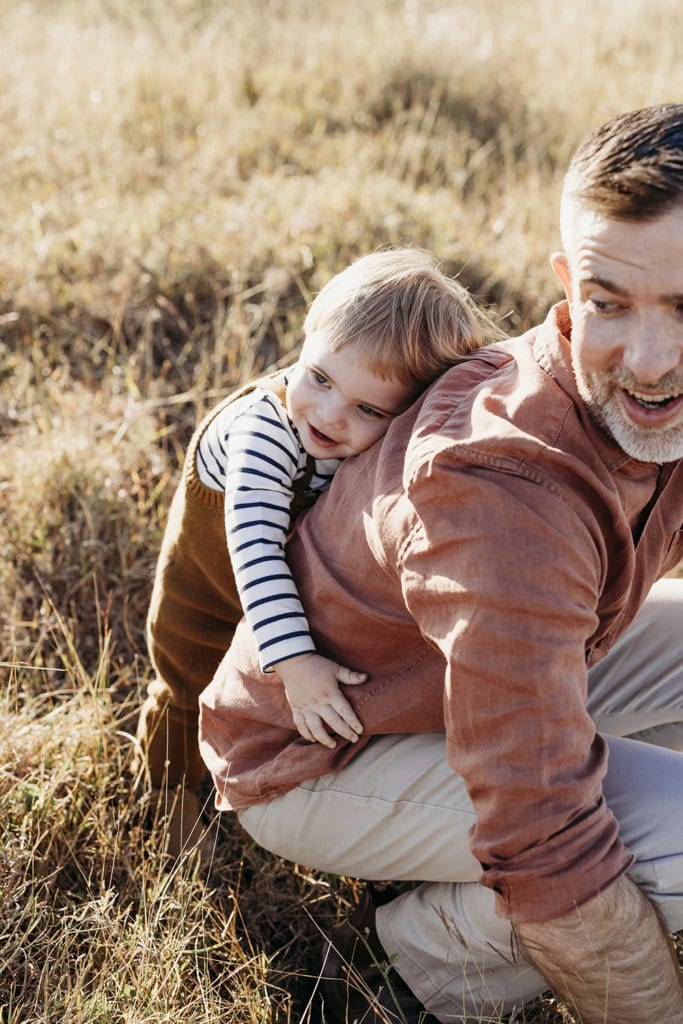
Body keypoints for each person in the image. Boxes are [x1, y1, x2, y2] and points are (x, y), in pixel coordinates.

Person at [198, 103, 683, 1024]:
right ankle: (430, 956)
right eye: (608, 304)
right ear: (566, 288)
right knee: (642, 840)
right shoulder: (504, 496)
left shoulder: (651, 398)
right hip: (324, 747)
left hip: (483, 667)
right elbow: (543, 835)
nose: (650, 361)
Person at [134, 246, 497, 854]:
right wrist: (295, 662)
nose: (328, 414)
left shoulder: (369, 433)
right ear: (306, 339)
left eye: (367, 408)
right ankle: (166, 800)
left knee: (256, 692)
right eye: (320, 378)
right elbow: (254, 546)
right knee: (188, 687)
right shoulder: (268, 431)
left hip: (286, 596)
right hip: (214, 591)